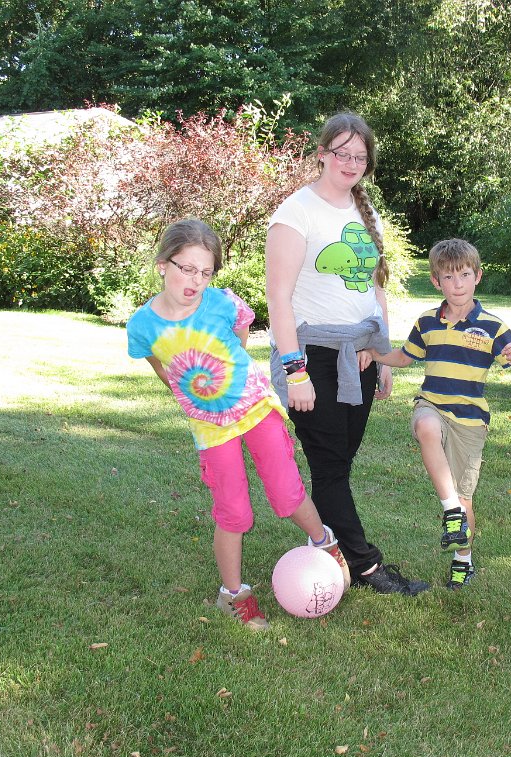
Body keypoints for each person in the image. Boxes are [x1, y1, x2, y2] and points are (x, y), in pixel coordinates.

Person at [127, 218, 350, 631]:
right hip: (210, 426)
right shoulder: (142, 325)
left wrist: (237, 368)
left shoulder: (221, 303)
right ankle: (232, 594)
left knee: (286, 493)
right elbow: (160, 364)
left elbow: (242, 327)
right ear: (162, 264)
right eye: (186, 269)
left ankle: (325, 543)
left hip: (255, 407)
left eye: (205, 272)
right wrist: (191, 393)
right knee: (233, 512)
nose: (196, 281)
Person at [265, 111, 429, 596]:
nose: (351, 163)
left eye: (360, 156)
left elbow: (375, 288)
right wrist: (295, 372)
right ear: (322, 154)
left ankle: (328, 546)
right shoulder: (296, 212)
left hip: (358, 354)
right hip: (311, 356)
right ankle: (365, 566)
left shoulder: (365, 210)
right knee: (330, 466)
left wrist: (380, 351)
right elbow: (278, 298)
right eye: (342, 153)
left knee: (339, 463)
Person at [369, 239, 511, 589]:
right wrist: (374, 354)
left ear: (478, 276)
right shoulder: (427, 322)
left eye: (464, 275)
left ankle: (463, 559)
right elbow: (405, 357)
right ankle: (451, 512)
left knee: (465, 497)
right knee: (425, 426)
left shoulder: (493, 327)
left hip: (470, 419)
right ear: (436, 281)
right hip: (432, 403)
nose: (457, 284)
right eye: (448, 277)